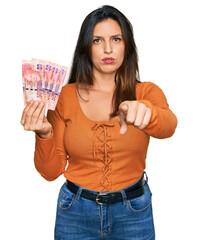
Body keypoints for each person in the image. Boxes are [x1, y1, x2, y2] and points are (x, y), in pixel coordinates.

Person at [20, 5, 177, 240]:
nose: (107, 48)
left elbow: (169, 125)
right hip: (74, 212)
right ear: (86, 47)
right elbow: (51, 172)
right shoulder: (64, 96)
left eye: (116, 39)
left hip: (134, 212)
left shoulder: (146, 92)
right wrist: (44, 134)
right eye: (96, 40)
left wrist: (147, 113)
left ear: (128, 45)